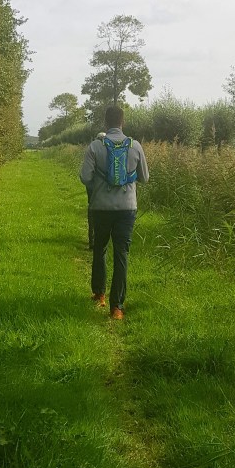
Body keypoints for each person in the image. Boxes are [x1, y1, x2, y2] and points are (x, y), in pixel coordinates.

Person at [79, 105, 149, 319]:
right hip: (127, 208)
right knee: (121, 254)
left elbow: (85, 177)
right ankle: (117, 307)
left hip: (101, 207)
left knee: (100, 248)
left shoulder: (95, 146)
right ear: (122, 122)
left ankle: (99, 294)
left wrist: (98, 188)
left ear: (105, 123)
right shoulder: (135, 146)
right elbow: (145, 178)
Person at [86, 131, 106, 250]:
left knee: (92, 216)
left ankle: (92, 241)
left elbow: (86, 175)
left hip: (93, 189)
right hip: (105, 194)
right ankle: (100, 241)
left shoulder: (92, 149)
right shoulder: (109, 152)